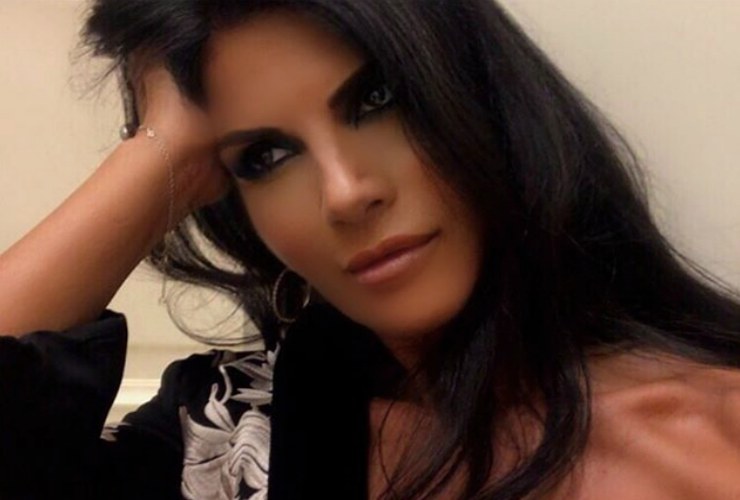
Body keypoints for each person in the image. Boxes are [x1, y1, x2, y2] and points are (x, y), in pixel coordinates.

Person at [1, 0, 739, 498]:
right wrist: (160, 150)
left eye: (378, 100)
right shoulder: (225, 438)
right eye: (264, 156)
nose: (346, 193)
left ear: (487, 99)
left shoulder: (715, 429)